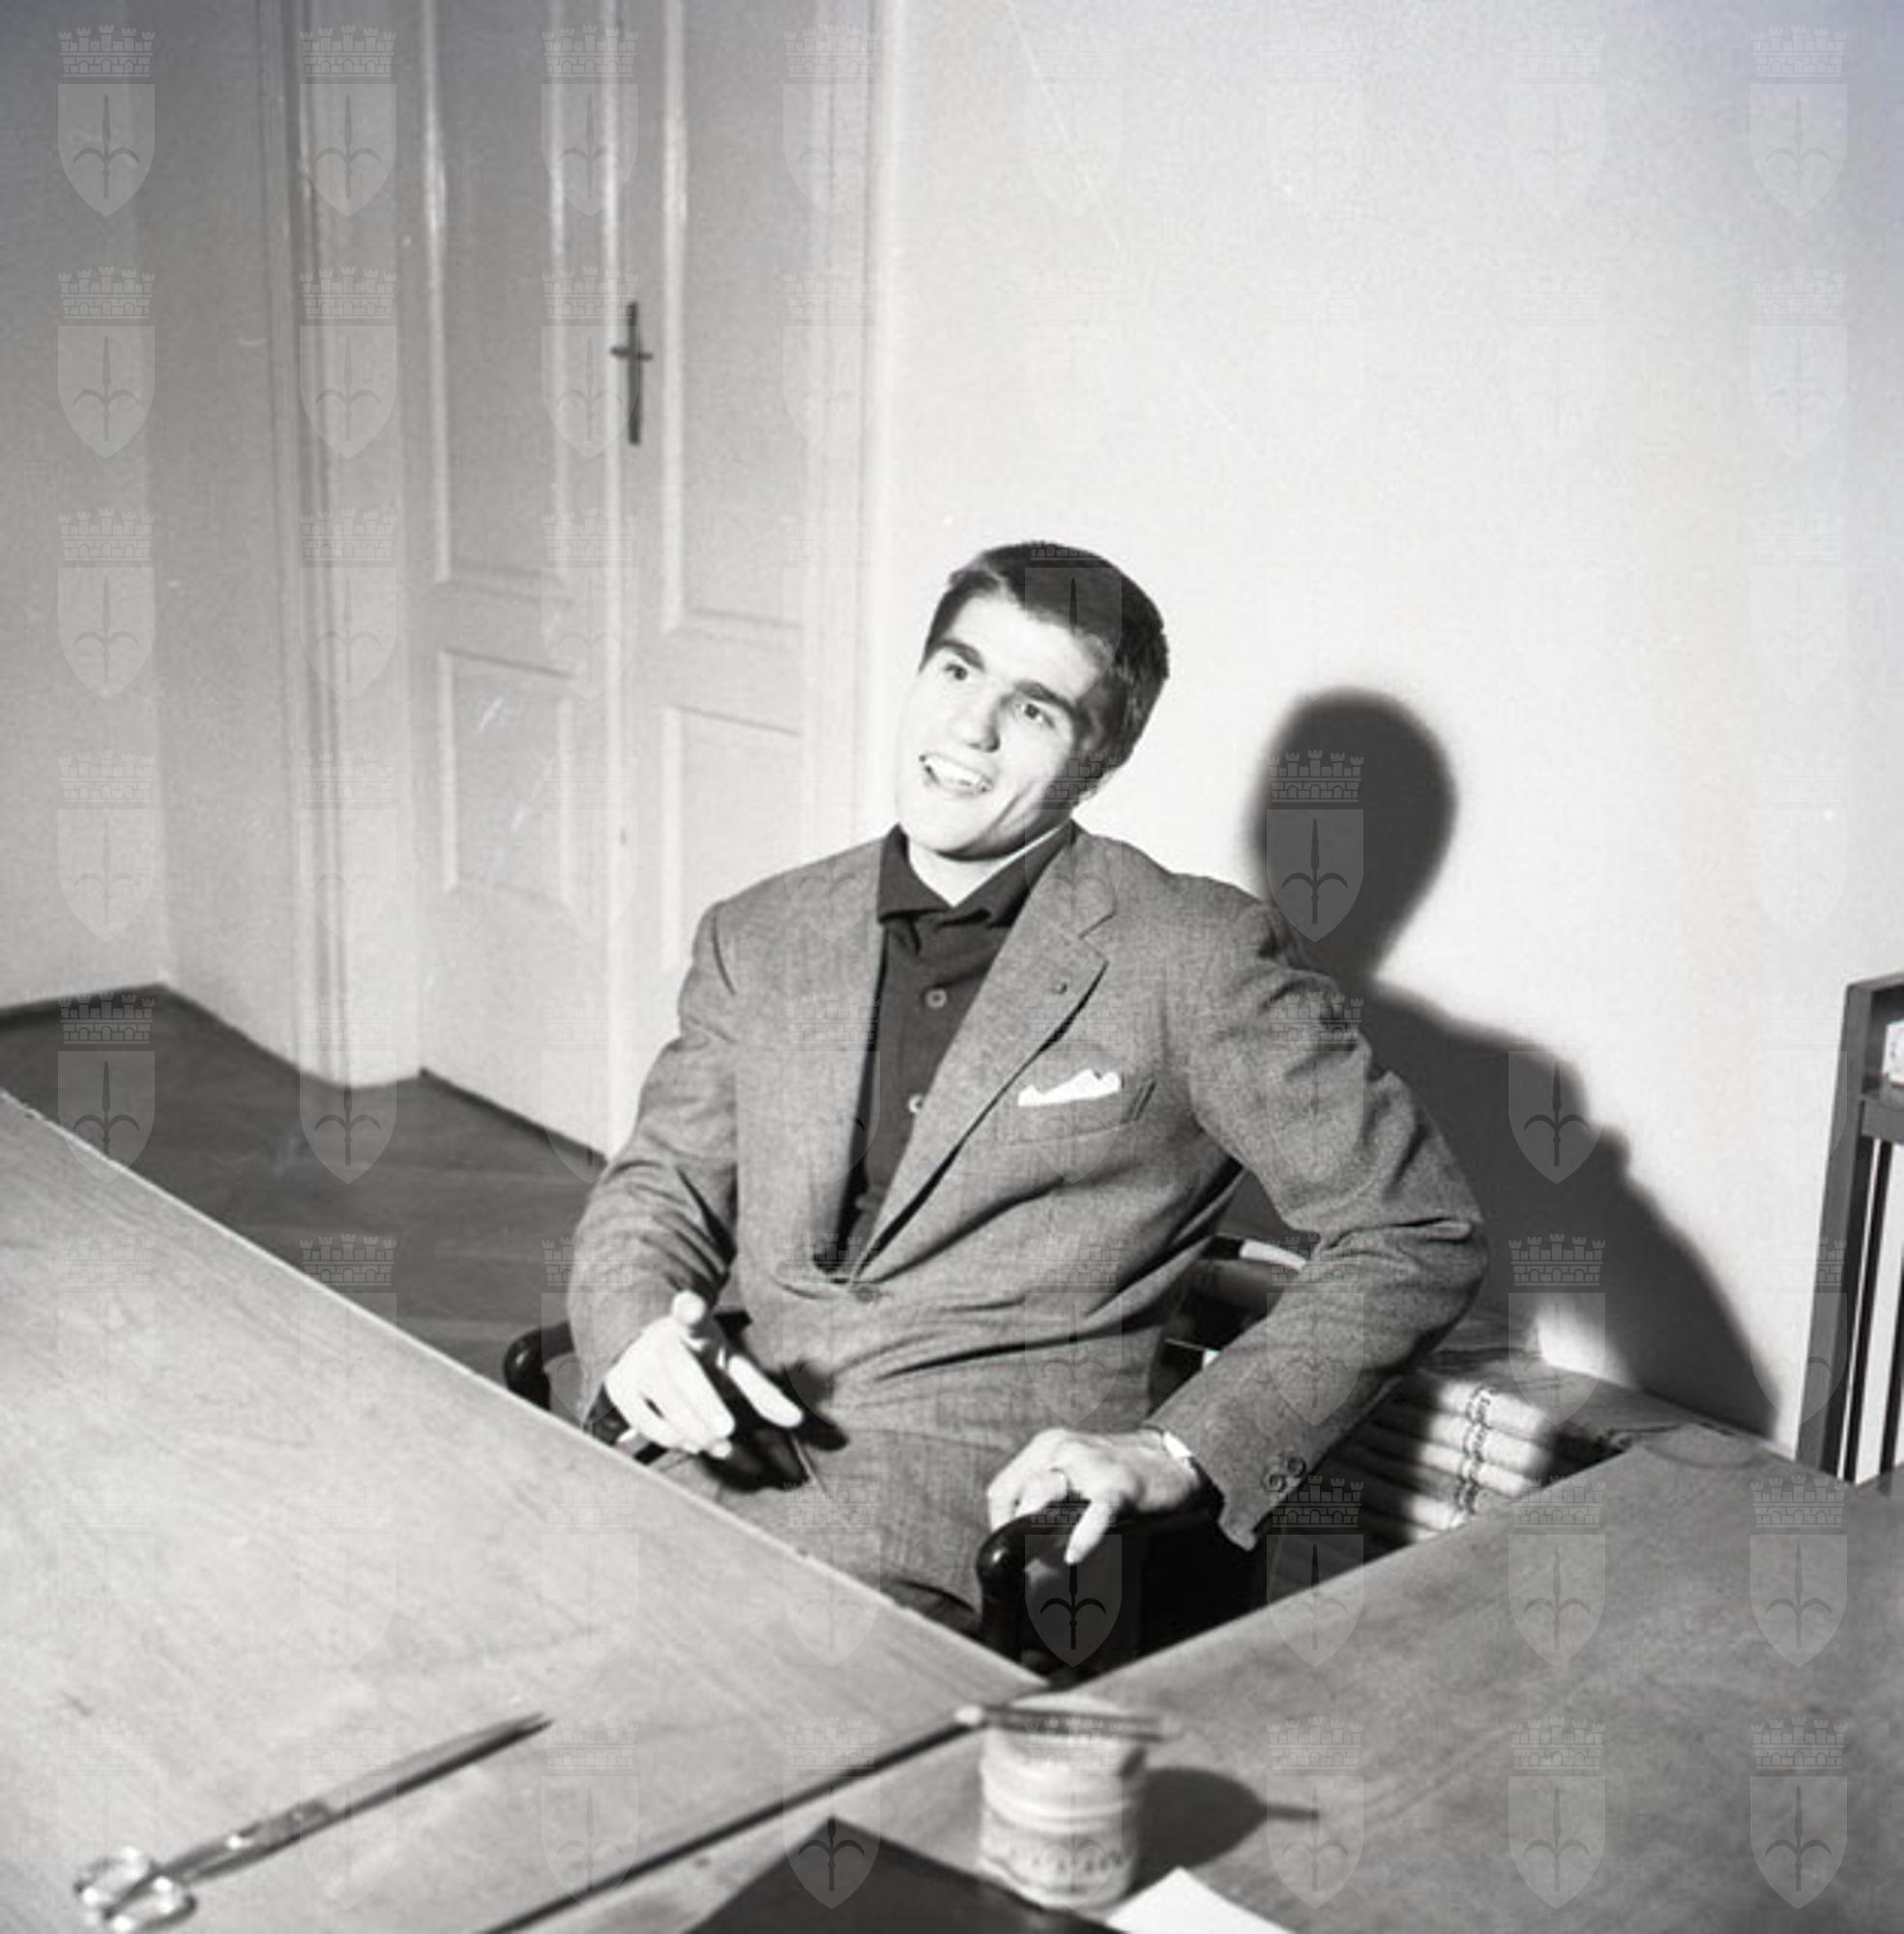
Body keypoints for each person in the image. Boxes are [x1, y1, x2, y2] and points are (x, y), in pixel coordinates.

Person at [569, 541, 1484, 1626]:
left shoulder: (1191, 954)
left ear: (1098, 759)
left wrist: (1178, 1448)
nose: (971, 727)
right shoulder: (759, 931)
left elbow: (1417, 1229)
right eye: (957, 671)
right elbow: (659, 1186)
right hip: (701, 1446)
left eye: (1035, 709)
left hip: (966, 1517)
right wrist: (635, 1330)